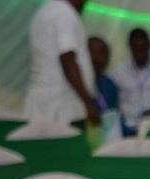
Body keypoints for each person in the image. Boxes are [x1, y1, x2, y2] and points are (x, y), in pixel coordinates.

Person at [23, 0, 100, 128]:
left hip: (42, 105)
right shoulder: (64, 13)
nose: (85, 4)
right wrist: (88, 104)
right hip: (62, 107)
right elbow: (67, 58)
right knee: (68, 147)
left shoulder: (44, 11)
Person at [87, 37, 118, 116]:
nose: (95, 57)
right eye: (91, 52)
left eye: (101, 53)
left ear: (107, 59)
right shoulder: (78, 85)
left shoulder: (110, 85)